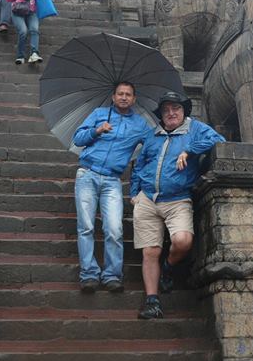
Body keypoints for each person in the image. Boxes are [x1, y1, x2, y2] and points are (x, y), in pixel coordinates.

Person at [129, 92, 224, 319]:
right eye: (166, 110)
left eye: (176, 109)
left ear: (184, 111)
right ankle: (152, 301)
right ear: (161, 114)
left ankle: (169, 268)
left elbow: (218, 139)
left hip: (178, 198)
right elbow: (139, 165)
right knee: (150, 251)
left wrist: (190, 150)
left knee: (183, 241)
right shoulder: (153, 136)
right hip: (148, 199)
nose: (171, 113)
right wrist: (134, 193)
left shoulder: (195, 129)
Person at [72, 82, 150, 293]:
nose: (124, 97)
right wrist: (97, 131)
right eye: (120, 94)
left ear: (134, 99)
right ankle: (88, 274)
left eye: (128, 95)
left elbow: (152, 146)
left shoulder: (140, 125)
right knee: (86, 226)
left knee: (114, 229)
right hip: (87, 174)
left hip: (112, 181)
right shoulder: (99, 113)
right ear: (113, 97)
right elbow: (77, 138)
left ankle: (112, 275)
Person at [5, 0, 44, 64]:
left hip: (31, 11)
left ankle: (34, 53)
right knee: (23, 31)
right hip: (18, 10)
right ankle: (20, 56)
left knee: (34, 29)